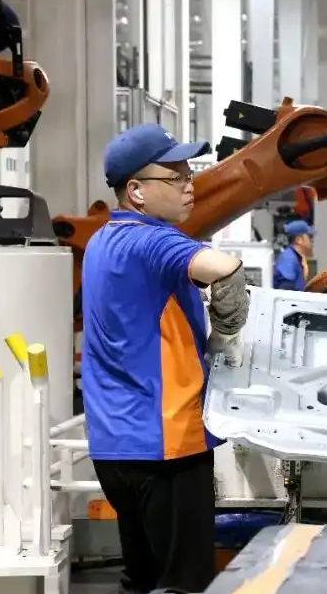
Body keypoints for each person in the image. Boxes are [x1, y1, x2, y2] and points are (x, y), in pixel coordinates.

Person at [80, 123, 250, 594]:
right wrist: (224, 338)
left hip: (115, 445)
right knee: (183, 584)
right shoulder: (152, 241)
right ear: (136, 191)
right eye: (175, 177)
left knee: (142, 579)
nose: (189, 185)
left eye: (189, 174)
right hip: (166, 444)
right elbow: (227, 270)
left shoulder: (102, 242)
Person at [273, 220, 314, 291]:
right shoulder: (288, 259)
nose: (312, 240)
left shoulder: (296, 257)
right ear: (299, 240)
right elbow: (285, 292)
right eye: (310, 236)